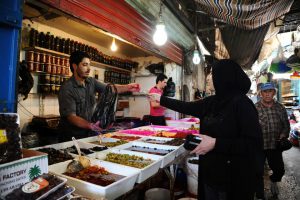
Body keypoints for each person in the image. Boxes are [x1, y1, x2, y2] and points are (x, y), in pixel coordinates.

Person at [149, 59, 263, 200]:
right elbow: (187, 106)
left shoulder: (243, 104)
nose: (208, 78)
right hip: (209, 175)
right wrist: (161, 99)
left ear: (224, 77)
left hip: (232, 180)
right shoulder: (212, 101)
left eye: (212, 74)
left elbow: (253, 144)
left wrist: (216, 143)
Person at [58, 51, 140, 141]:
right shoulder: (67, 88)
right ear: (75, 66)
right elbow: (71, 117)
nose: (89, 69)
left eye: (89, 65)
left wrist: (128, 87)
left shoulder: (91, 82)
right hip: (72, 138)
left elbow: (110, 88)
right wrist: (90, 125)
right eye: (85, 65)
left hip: (88, 134)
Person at [255, 82, 290, 199]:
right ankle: (260, 195)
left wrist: (284, 134)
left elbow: (286, 125)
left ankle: (273, 180)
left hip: (275, 145)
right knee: (257, 172)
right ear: (261, 94)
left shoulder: (280, 107)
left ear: (274, 93)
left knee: (279, 170)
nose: (267, 94)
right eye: (265, 91)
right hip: (259, 146)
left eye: (270, 91)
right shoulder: (255, 108)